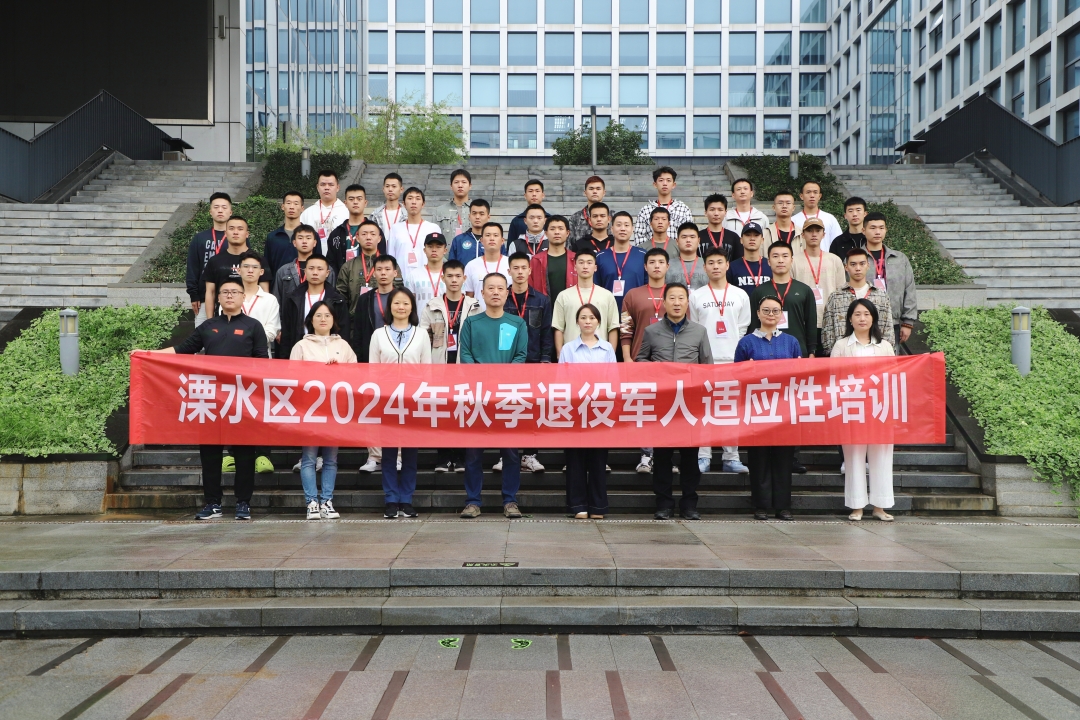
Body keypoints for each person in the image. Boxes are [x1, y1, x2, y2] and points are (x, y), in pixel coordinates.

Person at [143, 278, 268, 521]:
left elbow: (263, 362)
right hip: (210, 399)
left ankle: (243, 503)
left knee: (244, 453)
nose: (229, 295)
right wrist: (147, 354)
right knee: (210, 453)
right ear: (218, 298)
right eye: (225, 292)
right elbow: (182, 350)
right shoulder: (208, 326)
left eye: (234, 292)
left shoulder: (253, 326)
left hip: (241, 399)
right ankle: (213, 503)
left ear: (243, 297)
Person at [636, 283, 713, 520]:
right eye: (672, 298)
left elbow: (707, 367)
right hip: (662, 405)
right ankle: (664, 505)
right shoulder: (651, 331)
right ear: (664, 302)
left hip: (690, 405)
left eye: (681, 298)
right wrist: (658, 367)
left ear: (687, 302)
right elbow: (640, 361)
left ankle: (689, 505)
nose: (677, 303)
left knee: (690, 458)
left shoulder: (699, 331)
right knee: (662, 458)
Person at [458, 273, 529, 519]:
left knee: (510, 452)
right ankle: (472, 501)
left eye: (500, 288)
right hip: (477, 396)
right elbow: (465, 356)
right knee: (473, 452)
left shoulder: (517, 323)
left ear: (507, 293)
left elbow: (521, 356)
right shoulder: (471, 323)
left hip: (507, 397)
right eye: (491, 288)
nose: (495, 292)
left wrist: (500, 381)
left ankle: (510, 501)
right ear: (482, 293)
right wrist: (484, 381)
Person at [735, 297, 802, 521]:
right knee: (759, 459)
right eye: (766, 310)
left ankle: (783, 506)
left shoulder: (791, 342)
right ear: (758, 313)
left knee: (783, 459)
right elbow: (736, 376)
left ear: (781, 314)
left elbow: (800, 375)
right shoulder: (746, 343)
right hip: (756, 409)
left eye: (775, 311)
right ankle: (761, 505)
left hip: (784, 409)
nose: (771, 314)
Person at [289, 300, 357, 520]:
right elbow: (292, 378)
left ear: (333, 319)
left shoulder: (343, 346)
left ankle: (327, 501)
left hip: (335, 410)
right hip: (310, 411)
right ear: (311, 319)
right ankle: (311, 502)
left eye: (327, 315)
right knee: (309, 458)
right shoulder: (301, 346)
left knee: (331, 458)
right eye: (318, 315)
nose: (323, 319)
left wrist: (340, 370)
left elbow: (356, 375)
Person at [369, 287, 432, 518]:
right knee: (387, 453)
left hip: (412, 400)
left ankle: (406, 499)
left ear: (412, 307)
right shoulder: (379, 334)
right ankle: (390, 499)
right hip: (386, 400)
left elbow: (427, 370)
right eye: (397, 303)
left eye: (406, 303)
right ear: (390, 307)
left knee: (410, 453)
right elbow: (373, 370)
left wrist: (423, 397)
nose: (401, 307)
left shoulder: (421, 334)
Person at [831, 298, 896, 522]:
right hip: (853, 408)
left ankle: (880, 506)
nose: (862, 318)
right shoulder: (841, 346)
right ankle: (857, 506)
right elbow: (833, 378)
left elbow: (894, 377)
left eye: (867, 314)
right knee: (853, 458)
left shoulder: (884, 346)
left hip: (880, 409)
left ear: (873, 318)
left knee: (882, 457)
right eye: (857, 314)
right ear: (850, 319)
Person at [689, 246, 751, 475]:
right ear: (704, 267)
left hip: (733, 360)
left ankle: (731, 457)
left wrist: (736, 353)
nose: (715, 266)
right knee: (704, 409)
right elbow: (695, 329)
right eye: (711, 263)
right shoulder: (696, 296)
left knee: (730, 410)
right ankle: (703, 456)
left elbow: (743, 326)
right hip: (706, 361)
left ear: (727, 265)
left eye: (719, 262)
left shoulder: (740, 295)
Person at [420, 259, 482, 473]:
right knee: (443, 412)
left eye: (458, 276)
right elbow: (423, 338)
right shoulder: (432, 305)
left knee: (464, 411)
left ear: (464, 278)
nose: (454, 280)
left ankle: (461, 457)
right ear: (443, 278)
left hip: (465, 368)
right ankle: (444, 457)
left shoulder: (474, 306)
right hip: (440, 367)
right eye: (450, 276)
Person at [559, 304, 615, 519]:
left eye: (592, 317)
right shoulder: (568, 349)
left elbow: (613, 380)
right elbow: (561, 380)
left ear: (598, 321)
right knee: (575, 460)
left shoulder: (607, 349)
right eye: (583, 317)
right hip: (574, 410)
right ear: (577, 322)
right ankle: (578, 505)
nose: (588, 321)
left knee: (598, 460)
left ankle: (598, 506)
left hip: (600, 409)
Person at [620, 247, 670, 475]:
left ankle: (666, 455)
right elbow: (625, 329)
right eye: (652, 262)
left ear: (668, 266)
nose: (656, 266)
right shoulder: (633, 294)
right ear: (645, 266)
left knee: (667, 408)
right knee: (645, 408)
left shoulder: (675, 293)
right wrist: (627, 358)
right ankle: (646, 454)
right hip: (640, 359)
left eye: (661, 262)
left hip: (668, 361)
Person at [504, 252, 553, 474]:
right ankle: (506, 455)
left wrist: (545, 359)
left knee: (532, 409)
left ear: (530, 270)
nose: (520, 272)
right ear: (509, 271)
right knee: (507, 408)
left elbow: (546, 333)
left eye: (524, 268)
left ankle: (530, 455)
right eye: (515, 268)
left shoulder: (542, 300)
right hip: (507, 363)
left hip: (533, 362)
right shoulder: (502, 298)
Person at [350, 255, 400, 474]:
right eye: (379, 269)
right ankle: (374, 455)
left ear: (395, 272)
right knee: (371, 410)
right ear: (374, 273)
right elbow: (359, 331)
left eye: (387, 269)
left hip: (397, 362)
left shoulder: (402, 297)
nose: (383, 273)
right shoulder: (365, 299)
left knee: (397, 411)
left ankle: (398, 455)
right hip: (372, 361)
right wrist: (360, 362)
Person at [747, 242, 818, 358]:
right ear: (769, 261)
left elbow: (811, 323)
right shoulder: (759, 291)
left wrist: (812, 351)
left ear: (792, 260)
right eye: (775, 256)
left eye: (785, 256)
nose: (780, 260)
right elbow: (754, 324)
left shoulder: (804, 290)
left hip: (797, 351)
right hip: (765, 352)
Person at [822, 248, 894, 356]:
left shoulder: (881, 296)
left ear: (868, 265)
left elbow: (887, 328)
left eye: (862, 264)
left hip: (876, 354)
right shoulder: (835, 296)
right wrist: (834, 353)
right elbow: (828, 330)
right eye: (853, 264)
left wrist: (885, 351)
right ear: (846, 267)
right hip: (843, 355)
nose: (858, 268)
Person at [278, 254, 349, 361]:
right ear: (305, 271)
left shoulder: (337, 300)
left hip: (329, 354)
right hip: (301, 352)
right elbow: (287, 333)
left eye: (320, 269)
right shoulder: (293, 299)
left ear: (327, 273)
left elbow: (343, 331)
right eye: (311, 268)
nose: (315, 272)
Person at [792, 217, 847, 353]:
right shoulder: (793, 261)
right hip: (803, 321)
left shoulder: (834, 260)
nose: (814, 234)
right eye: (809, 231)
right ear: (803, 235)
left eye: (818, 230)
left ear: (824, 234)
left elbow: (841, 293)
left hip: (829, 321)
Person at [864, 212, 918, 349]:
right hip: (863, 323)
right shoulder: (856, 258)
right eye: (873, 228)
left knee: (891, 360)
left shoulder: (900, 259)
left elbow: (909, 289)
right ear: (863, 230)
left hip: (893, 323)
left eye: (881, 228)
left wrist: (907, 322)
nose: (877, 232)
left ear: (886, 230)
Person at [201, 216, 270, 321]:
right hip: (223, 318)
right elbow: (210, 292)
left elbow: (265, 292)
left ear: (247, 234)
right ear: (225, 233)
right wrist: (210, 322)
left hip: (254, 317)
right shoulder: (215, 261)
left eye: (240, 229)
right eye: (231, 228)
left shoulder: (258, 260)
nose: (236, 232)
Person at [552, 249, 620, 355]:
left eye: (589, 263)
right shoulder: (563, 296)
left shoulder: (607, 295)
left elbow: (612, 327)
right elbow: (558, 328)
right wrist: (560, 355)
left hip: (600, 355)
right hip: (572, 355)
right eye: (581, 262)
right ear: (575, 267)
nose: (585, 266)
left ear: (595, 268)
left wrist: (611, 355)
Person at [185, 192, 232, 325]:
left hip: (232, 297)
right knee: (203, 334)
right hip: (204, 298)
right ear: (210, 212)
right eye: (216, 207)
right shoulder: (200, 238)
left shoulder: (237, 237)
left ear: (230, 212)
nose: (220, 210)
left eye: (224, 207)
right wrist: (194, 295)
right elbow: (192, 267)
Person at [337, 219, 399, 316]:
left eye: (373, 234)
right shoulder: (348, 266)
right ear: (357, 238)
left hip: (384, 317)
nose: (368, 237)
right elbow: (341, 296)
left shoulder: (390, 265)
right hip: (356, 319)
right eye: (364, 234)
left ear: (379, 238)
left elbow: (398, 290)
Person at [326, 184, 387, 273]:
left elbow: (382, 258)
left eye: (359, 199)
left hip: (369, 278)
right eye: (351, 199)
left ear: (365, 203)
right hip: (342, 280)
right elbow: (331, 263)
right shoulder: (336, 233)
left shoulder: (376, 231)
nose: (355, 202)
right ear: (345, 203)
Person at [595, 211, 646, 312]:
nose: (623, 228)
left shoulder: (643, 255)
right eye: (619, 225)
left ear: (632, 229)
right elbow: (596, 287)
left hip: (636, 312)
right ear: (612, 229)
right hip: (607, 311)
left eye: (626, 225)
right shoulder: (600, 257)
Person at [273, 224, 335, 307]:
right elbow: (277, 301)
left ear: (315, 243)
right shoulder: (283, 271)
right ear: (294, 243)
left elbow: (332, 298)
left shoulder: (326, 269)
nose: (304, 241)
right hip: (290, 314)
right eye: (300, 238)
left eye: (308, 238)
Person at [387, 186, 442, 278]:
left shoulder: (433, 228)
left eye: (417, 198)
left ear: (423, 204)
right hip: (401, 280)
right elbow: (390, 256)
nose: (413, 202)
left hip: (427, 280)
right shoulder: (395, 228)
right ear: (404, 204)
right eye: (410, 198)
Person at [633, 166, 694, 244]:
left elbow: (689, 234)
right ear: (655, 184)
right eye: (661, 180)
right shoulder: (645, 210)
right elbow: (639, 236)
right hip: (652, 251)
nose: (665, 183)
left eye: (668, 180)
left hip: (676, 251)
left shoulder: (683, 209)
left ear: (673, 185)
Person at [529, 216, 577, 313]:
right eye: (552, 229)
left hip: (571, 310)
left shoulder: (576, 259)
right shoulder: (536, 260)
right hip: (543, 312)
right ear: (546, 233)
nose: (557, 232)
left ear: (567, 233)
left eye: (561, 228)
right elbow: (530, 288)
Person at [235, 251, 280, 350]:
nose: (250, 270)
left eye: (255, 267)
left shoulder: (270, 300)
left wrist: (246, 339)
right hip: (235, 352)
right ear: (238, 270)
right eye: (246, 266)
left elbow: (272, 331)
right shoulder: (230, 297)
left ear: (261, 272)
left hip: (260, 353)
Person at [299, 169, 349, 255]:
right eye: (322, 184)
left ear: (338, 187)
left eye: (331, 185)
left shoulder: (346, 212)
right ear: (317, 187)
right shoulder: (307, 213)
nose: (326, 188)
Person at [793, 180, 843, 252]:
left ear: (819, 196)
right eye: (808, 192)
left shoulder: (830, 219)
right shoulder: (793, 220)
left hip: (826, 258)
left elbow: (838, 243)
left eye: (815, 192)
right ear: (801, 196)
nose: (812, 195)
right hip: (801, 258)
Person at [464, 222, 512, 296]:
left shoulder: (511, 264)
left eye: (495, 235)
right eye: (488, 235)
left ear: (502, 241)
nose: (492, 238)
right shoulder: (471, 266)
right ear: (482, 240)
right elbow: (469, 296)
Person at [403, 231, 448, 308]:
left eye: (438, 247)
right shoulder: (413, 275)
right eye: (430, 246)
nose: (434, 250)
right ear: (424, 250)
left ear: (445, 250)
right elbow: (408, 303)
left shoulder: (452, 275)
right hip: (421, 316)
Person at [264, 191, 304, 277]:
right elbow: (267, 267)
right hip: (278, 283)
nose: (292, 207)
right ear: (283, 206)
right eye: (288, 203)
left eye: (296, 203)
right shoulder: (273, 237)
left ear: (302, 208)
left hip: (303, 283)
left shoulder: (311, 236)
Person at [726, 222, 772, 290]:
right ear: (741, 240)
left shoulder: (771, 265)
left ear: (762, 240)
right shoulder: (731, 268)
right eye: (748, 235)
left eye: (756, 235)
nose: (752, 238)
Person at [448, 198, 495, 264]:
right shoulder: (458, 240)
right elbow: (451, 266)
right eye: (474, 213)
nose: (477, 217)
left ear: (488, 217)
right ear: (469, 216)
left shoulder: (495, 240)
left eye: (481, 214)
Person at [699, 194, 743, 261]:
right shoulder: (698, 237)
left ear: (725, 212)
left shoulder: (734, 237)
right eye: (712, 209)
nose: (716, 213)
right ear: (705, 212)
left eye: (720, 210)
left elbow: (739, 262)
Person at [667, 222, 709, 290]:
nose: (688, 240)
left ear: (698, 241)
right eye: (684, 237)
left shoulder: (708, 264)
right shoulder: (667, 266)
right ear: (677, 241)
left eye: (692, 237)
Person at [433, 168, 473, 240]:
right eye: (456, 182)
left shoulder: (477, 210)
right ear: (451, 186)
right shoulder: (439, 211)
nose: (460, 185)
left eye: (464, 182)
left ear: (470, 186)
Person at [568, 175, 609, 244]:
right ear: (585, 193)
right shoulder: (575, 218)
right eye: (591, 189)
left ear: (604, 192)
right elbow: (570, 244)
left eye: (598, 189)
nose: (595, 191)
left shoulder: (613, 217)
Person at [508, 179, 549, 243]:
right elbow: (511, 245)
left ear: (543, 195)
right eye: (530, 191)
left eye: (537, 191)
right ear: (525, 196)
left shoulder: (551, 220)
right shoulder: (516, 221)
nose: (534, 194)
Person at [830, 197, 869, 262]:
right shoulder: (838, 242)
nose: (855, 214)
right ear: (845, 215)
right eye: (850, 211)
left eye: (858, 210)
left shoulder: (871, 239)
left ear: (865, 214)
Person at [371, 172, 407, 240]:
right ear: (383, 189)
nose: (390, 189)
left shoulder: (407, 215)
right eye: (387, 186)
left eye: (394, 186)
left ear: (401, 189)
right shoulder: (375, 214)